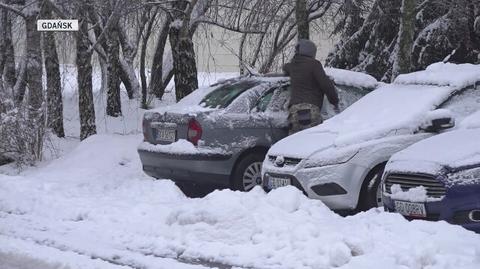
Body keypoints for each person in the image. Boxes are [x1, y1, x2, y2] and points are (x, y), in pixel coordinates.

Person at [283, 39, 340, 135]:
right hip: (310, 110)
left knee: (295, 143)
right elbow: (326, 85)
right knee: (312, 142)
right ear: (311, 52)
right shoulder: (314, 65)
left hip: (294, 112)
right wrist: (334, 102)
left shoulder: (293, 66)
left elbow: (285, 67)